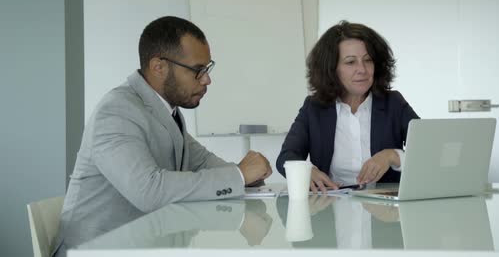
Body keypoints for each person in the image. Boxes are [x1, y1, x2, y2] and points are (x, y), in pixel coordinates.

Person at [53, 16, 272, 255]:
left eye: (207, 69)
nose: (207, 79)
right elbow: (149, 191)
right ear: (159, 67)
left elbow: (202, 162)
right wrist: (239, 176)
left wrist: (248, 176)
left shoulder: (167, 112)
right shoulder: (117, 111)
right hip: (96, 250)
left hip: (146, 245)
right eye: (198, 71)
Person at [276, 21, 419, 192]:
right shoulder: (314, 107)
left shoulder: (393, 102)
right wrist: (307, 172)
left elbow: (428, 150)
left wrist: (393, 156)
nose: (362, 69)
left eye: (368, 60)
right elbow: (286, 157)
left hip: (384, 209)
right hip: (331, 206)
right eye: (351, 62)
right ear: (331, 69)